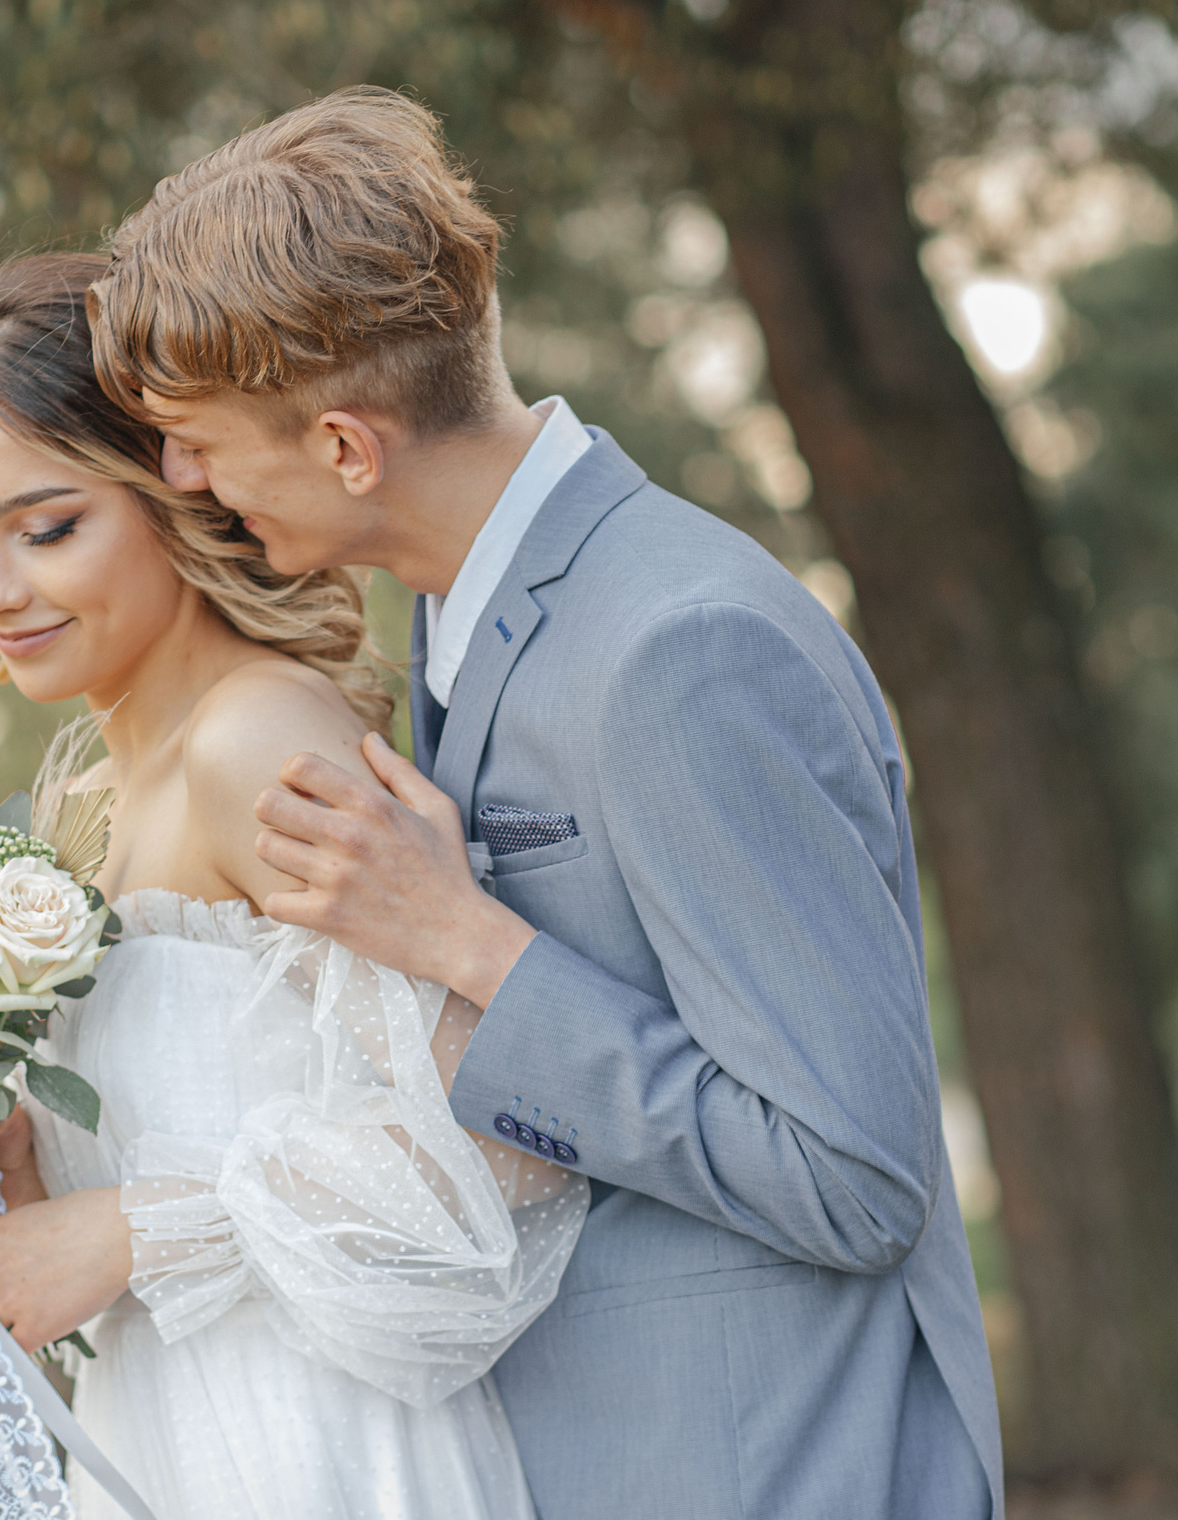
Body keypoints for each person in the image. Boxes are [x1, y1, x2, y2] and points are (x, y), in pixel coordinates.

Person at [85, 87, 1007, 1519]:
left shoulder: (681, 648)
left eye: (200, 438)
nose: (182, 479)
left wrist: (473, 946)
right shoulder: (461, 622)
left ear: (343, 446)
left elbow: (858, 1176)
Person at [0, 251, 587, 1520]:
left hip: (316, 1453)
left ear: (176, 494)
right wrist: (24, 1183)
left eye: (46, 529)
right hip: (158, 1442)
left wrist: (131, 1234)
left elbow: (504, 1154)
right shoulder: (81, 797)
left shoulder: (256, 742)